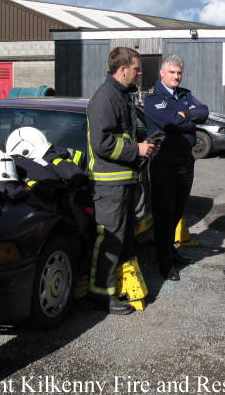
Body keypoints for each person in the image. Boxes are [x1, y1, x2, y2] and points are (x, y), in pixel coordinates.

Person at [86, 47, 154, 314]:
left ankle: (115, 288)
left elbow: (122, 135)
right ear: (122, 69)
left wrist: (142, 147)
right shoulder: (105, 98)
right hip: (108, 183)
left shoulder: (121, 95)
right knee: (109, 240)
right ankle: (101, 296)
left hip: (124, 180)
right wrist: (135, 150)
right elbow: (102, 143)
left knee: (123, 239)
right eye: (137, 69)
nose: (139, 74)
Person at [144, 54, 208, 281]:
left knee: (178, 211)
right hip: (164, 161)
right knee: (164, 214)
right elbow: (171, 123)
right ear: (162, 73)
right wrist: (186, 118)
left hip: (185, 160)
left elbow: (204, 112)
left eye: (179, 73)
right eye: (172, 72)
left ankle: (171, 252)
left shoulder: (184, 93)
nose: (176, 76)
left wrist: (186, 114)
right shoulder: (153, 97)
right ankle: (164, 264)